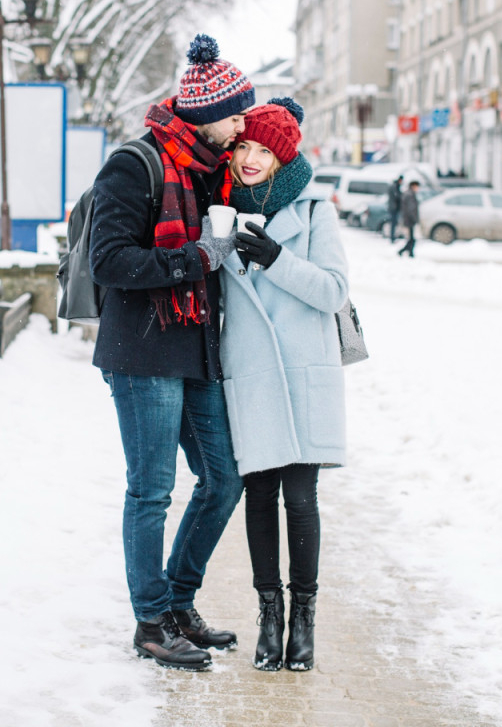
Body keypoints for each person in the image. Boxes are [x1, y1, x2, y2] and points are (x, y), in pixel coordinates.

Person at [89, 34, 254, 672]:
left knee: (223, 479)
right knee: (152, 491)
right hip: (143, 352)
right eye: (235, 112)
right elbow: (111, 261)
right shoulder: (136, 165)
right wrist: (197, 257)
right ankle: (151, 621)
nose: (241, 123)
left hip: (198, 351)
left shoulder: (213, 172)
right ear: (204, 112)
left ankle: (180, 603)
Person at [219, 97, 349, 672]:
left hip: (301, 373)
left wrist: (275, 259)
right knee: (258, 499)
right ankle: (268, 617)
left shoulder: (317, 212)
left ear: (283, 155)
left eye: (263, 150)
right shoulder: (218, 209)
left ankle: (304, 621)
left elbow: (334, 292)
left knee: (299, 500)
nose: (249, 158)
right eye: (243, 145)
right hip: (249, 372)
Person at [398, 180, 419, 258]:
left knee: (411, 238)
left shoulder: (408, 194)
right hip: (409, 220)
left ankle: (408, 252)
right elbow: (411, 209)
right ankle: (406, 251)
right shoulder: (410, 195)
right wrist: (414, 219)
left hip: (407, 219)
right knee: (412, 238)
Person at [386, 174, 403, 242]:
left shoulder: (395, 186)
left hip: (394, 207)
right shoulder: (395, 187)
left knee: (394, 223)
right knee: (393, 223)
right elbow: (397, 196)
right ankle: (392, 237)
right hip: (394, 208)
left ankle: (393, 236)